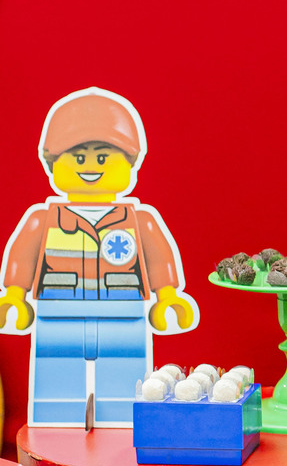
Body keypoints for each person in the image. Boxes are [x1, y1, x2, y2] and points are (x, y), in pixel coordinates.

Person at [0, 88, 196, 425]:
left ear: (130, 163)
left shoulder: (139, 221)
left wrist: (168, 296)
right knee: (55, 382)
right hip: (57, 314)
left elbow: (157, 257)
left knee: (125, 384)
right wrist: (14, 295)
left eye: (103, 157)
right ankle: (55, 427)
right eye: (78, 158)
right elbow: (24, 255)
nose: (90, 167)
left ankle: (122, 427)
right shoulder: (43, 220)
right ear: (52, 163)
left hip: (124, 313)